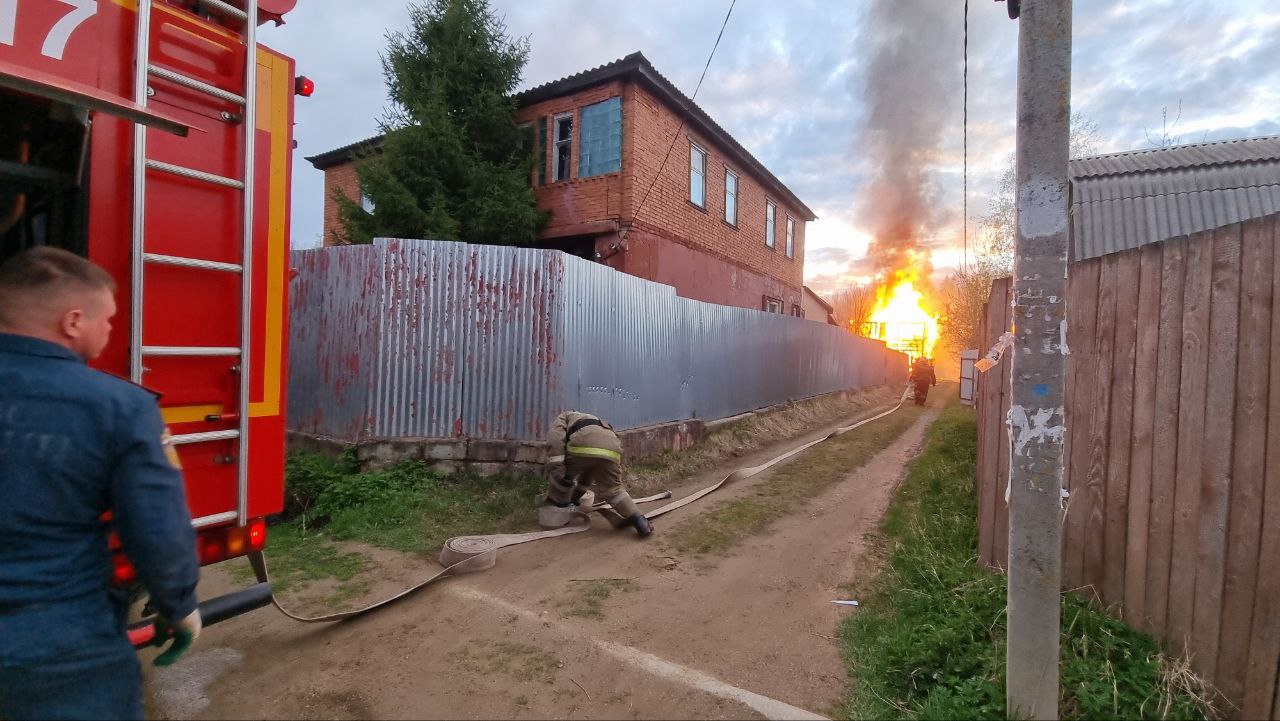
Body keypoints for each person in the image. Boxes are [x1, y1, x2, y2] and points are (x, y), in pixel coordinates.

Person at [0, 247, 201, 720]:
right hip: (58, 647)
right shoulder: (118, 406)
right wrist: (178, 603)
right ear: (73, 322)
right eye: (106, 320)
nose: (111, 331)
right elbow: (157, 530)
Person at [543, 410, 652, 538]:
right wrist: (575, 498)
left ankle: (560, 514)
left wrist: (558, 471)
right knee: (614, 490)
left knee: (563, 478)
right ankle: (639, 520)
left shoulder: (563, 417)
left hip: (582, 443)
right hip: (611, 447)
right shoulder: (590, 418)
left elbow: (555, 442)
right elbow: (587, 477)